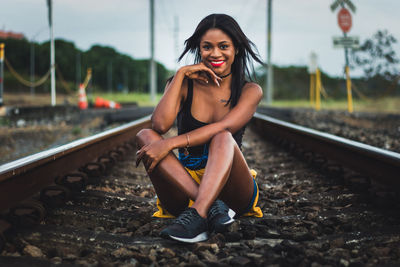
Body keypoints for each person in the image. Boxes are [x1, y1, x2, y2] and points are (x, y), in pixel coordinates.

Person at [136, 13, 263, 243]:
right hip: (185, 184)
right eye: (207, 47)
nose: (215, 54)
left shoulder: (250, 90)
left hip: (232, 187)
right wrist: (182, 73)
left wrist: (170, 143)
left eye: (223, 46)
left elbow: (224, 126)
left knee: (223, 137)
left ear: (236, 49)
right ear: (199, 49)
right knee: (145, 135)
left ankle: (197, 215)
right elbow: (159, 125)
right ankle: (210, 207)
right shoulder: (183, 84)